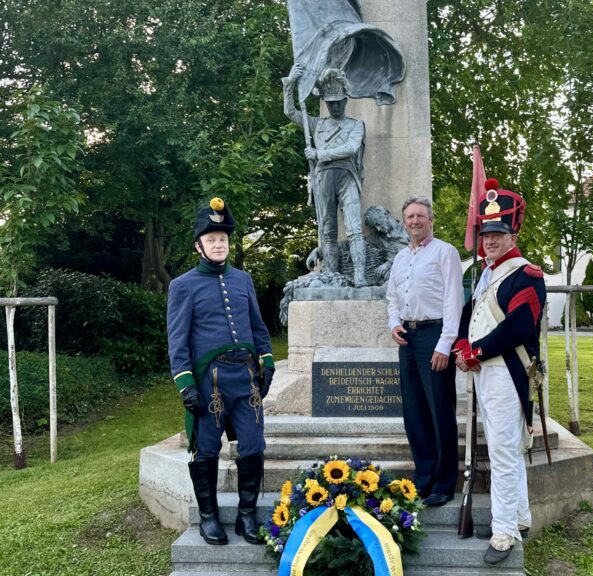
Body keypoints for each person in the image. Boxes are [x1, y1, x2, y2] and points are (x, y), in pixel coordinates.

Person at [167, 197, 275, 546]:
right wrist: (185, 384)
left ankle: (247, 516)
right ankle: (209, 517)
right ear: (198, 245)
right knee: (208, 449)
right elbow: (177, 341)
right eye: (211, 239)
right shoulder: (183, 285)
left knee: (254, 446)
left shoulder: (243, 279)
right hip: (208, 380)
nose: (218, 244)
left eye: (223, 239)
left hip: (245, 378)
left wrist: (267, 361)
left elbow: (259, 328)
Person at [453, 179, 546, 565]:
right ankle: (520, 516)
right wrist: (462, 345)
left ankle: (504, 531)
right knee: (505, 447)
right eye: (486, 233)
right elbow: (469, 315)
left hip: (507, 371)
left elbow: (519, 327)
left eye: (498, 233)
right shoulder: (486, 275)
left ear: (512, 234)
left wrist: (476, 350)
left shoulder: (527, 276)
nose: (490, 240)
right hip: (484, 372)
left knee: (504, 453)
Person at [386, 196, 464, 507]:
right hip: (407, 336)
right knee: (414, 412)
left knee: (440, 410)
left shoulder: (446, 253)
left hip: (435, 335)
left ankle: (445, 483)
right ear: (404, 222)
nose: (415, 221)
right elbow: (392, 297)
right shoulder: (400, 258)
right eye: (409, 217)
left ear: (431, 220)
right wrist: (394, 323)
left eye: (420, 216)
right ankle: (424, 477)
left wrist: (446, 343)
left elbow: (453, 300)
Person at [283, 63, 368, 287]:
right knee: (328, 231)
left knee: (354, 228)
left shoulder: (356, 125)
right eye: (330, 103)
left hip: (347, 176)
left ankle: (360, 276)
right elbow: (290, 112)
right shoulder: (316, 124)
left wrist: (319, 153)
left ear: (345, 101)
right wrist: (290, 83)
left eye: (339, 102)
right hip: (323, 179)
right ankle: (331, 273)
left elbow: (350, 148)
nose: (335, 107)